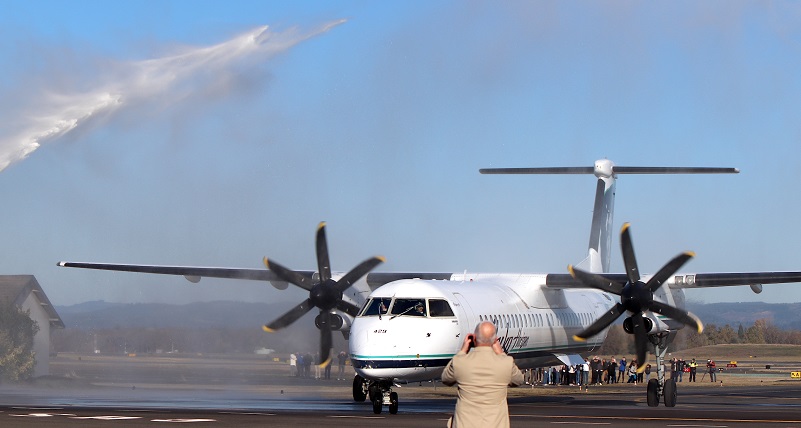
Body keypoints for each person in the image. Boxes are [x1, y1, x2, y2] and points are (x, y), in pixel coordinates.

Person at [442, 321, 523, 428]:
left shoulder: (460, 362)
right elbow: (518, 380)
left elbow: (446, 378)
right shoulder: (505, 363)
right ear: (495, 340)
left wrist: (462, 351)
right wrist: (501, 353)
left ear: (474, 338)